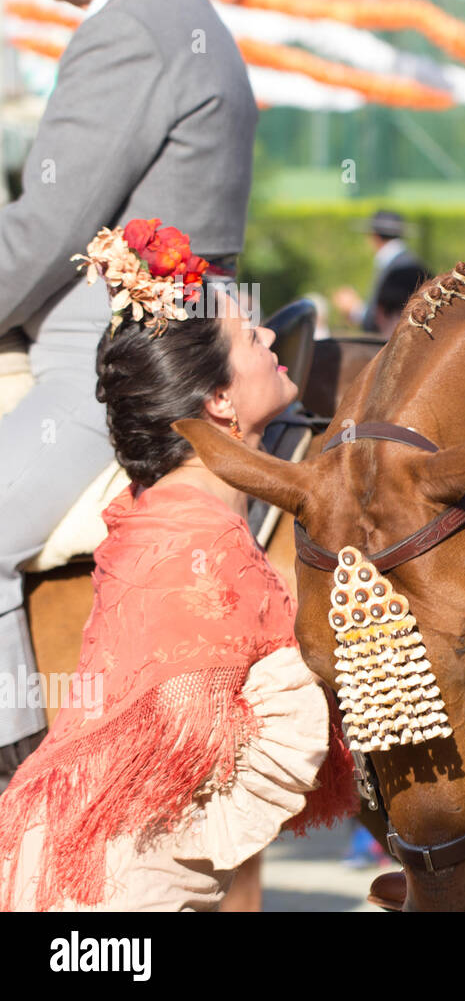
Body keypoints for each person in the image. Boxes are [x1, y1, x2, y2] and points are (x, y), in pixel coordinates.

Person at [0, 222, 353, 912]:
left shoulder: (164, 511)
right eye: (254, 338)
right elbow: (273, 739)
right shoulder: (194, 543)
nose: (275, 339)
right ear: (218, 402)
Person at [0, 0, 258, 786]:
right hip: (157, 335)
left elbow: (43, 231)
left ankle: (19, 790)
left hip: (109, 363)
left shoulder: (130, 29)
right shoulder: (177, 11)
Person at [339, 210, 430, 334]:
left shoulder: (397, 268)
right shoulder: (411, 263)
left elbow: (380, 318)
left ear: (374, 236)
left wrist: (354, 310)